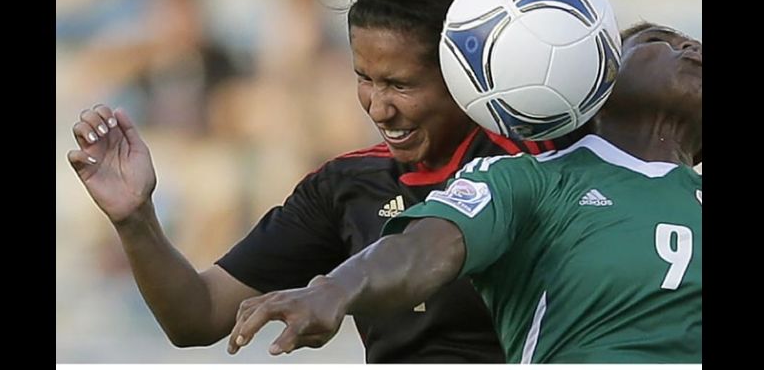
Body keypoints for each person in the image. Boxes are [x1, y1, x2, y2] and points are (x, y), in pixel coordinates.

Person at [67, 0, 599, 363]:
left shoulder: (545, 164)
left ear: (464, 73)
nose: (377, 106)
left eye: (401, 84)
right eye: (363, 78)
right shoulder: (345, 187)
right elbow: (197, 316)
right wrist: (136, 218)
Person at [225, 22, 703, 363]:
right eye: (663, 41)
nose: (692, 48)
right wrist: (336, 288)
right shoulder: (532, 179)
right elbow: (423, 248)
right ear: (596, 79)